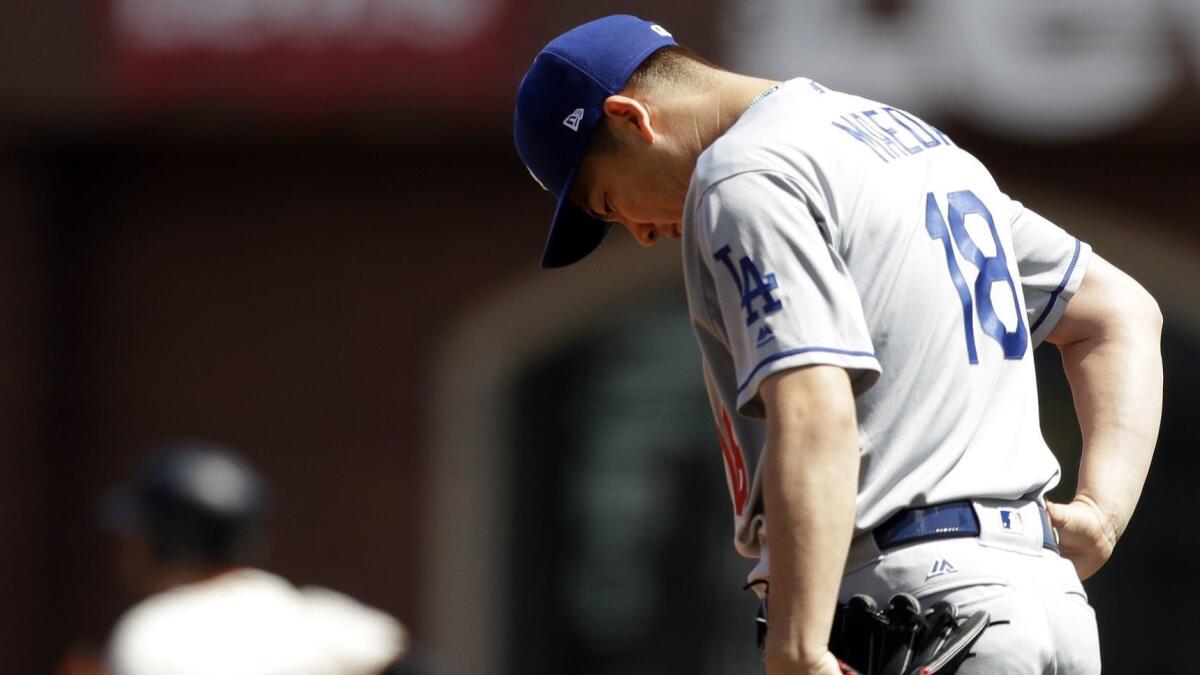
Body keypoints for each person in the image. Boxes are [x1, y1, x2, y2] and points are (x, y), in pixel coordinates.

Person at [513, 15, 1163, 675]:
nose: (638, 231)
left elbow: (815, 404)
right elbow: (1118, 309)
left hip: (921, 608)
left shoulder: (743, 173)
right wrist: (1100, 511)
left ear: (631, 119)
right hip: (1048, 602)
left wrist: (796, 647)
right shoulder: (910, 141)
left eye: (606, 202)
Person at [58, 440, 411, 675]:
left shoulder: (154, 632)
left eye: (138, 535)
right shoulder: (324, 617)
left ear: (166, 539)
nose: (128, 550)